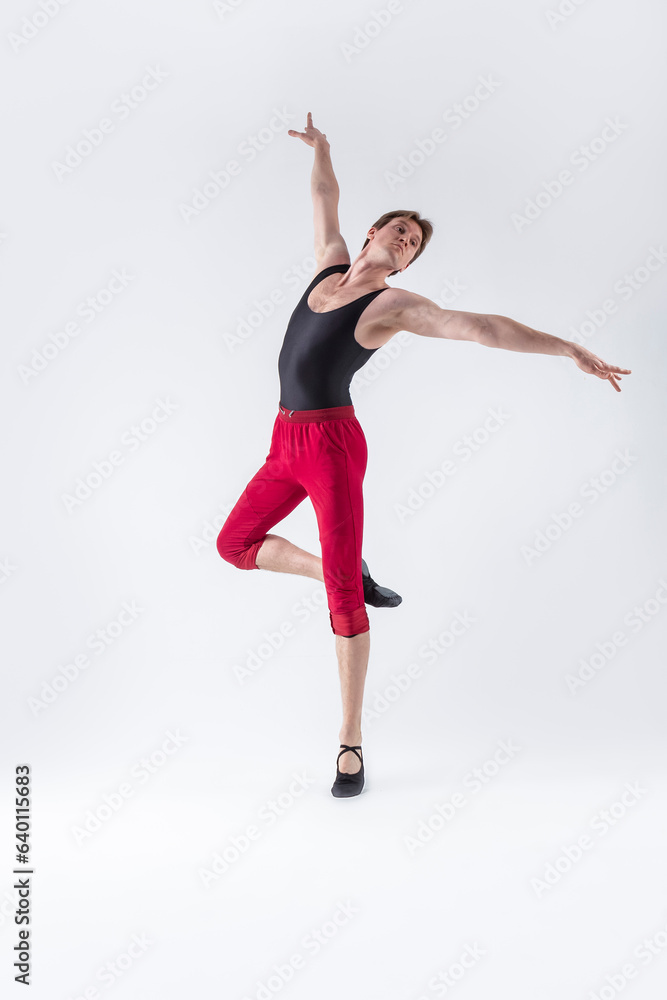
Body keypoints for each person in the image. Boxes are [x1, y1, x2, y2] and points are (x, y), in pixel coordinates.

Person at [217, 112, 632, 798]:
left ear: (406, 264)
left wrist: (567, 348)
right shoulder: (326, 266)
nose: (404, 243)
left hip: (330, 448)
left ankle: (349, 745)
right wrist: (321, 150)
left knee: (346, 603)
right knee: (234, 544)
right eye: (398, 231)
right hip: (281, 440)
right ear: (374, 233)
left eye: (413, 245)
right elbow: (324, 201)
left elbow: (479, 327)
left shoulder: (395, 305)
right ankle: (340, 568)